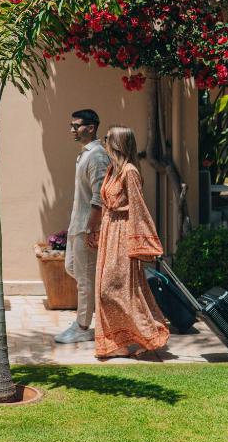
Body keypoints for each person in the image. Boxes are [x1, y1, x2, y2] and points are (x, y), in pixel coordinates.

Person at [94, 125, 169, 359]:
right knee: (107, 290)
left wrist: (142, 242)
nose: (104, 142)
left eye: (107, 138)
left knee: (116, 290)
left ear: (117, 143)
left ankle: (150, 334)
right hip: (110, 232)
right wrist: (99, 231)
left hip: (123, 234)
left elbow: (138, 207)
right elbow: (106, 204)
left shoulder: (129, 172)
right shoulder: (112, 170)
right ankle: (120, 343)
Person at [55, 109, 109, 344]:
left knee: (85, 279)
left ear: (91, 127)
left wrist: (91, 229)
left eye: (76, 126)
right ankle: (85, 319)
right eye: (71, 125)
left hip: (87, 227)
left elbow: (99, 197)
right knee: (73, 269)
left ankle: (83, 327)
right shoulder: (85, 154)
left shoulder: (97, 156)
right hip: (77, 224)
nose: (72, 130)